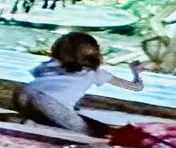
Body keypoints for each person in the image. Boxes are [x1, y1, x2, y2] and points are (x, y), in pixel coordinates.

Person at [14, 31, 143, 134]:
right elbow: (136, 87)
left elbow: (51, 83)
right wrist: (135, 72)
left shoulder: (49, 65)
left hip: (23, 92)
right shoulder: (95, 72)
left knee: (44, 116)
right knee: (89, 131)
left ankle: (27, 121)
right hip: (50, 103)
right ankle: (38, 127)